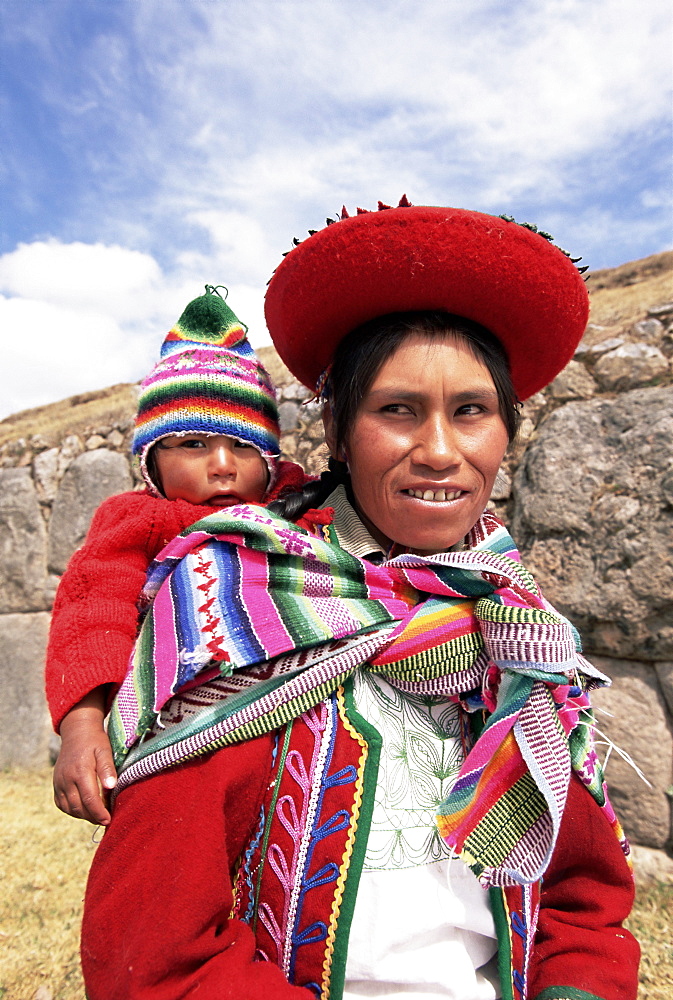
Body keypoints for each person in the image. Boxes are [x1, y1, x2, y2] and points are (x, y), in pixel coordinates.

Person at [80, 201, 639, 1000]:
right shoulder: (234, 602)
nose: (440, 451)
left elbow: (582, 906)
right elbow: (152, 950)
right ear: (339, 433)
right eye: (396, 410)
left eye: (471, 412)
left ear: (504, 432)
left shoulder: (519, 632)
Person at [45, 286, 306, 826]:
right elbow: (94, 614)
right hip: (174, 744)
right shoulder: (137, 524)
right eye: (192, 444)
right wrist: (82, 723)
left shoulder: (301, 514)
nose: (223, 465)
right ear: (152, 463)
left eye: (245, 448)